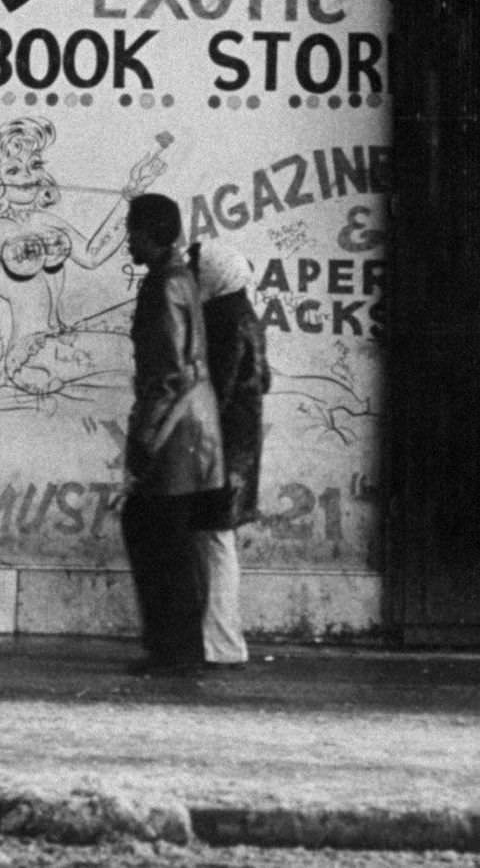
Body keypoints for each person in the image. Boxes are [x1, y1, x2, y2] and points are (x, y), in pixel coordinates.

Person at [0, 116, 171, 409]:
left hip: (60, 338)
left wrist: (131, 194)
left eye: (34, 165)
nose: (27, 176)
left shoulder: (48, 222)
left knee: (140, 319)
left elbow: (91, 255)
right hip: (27, 355)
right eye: (13, 169)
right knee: (132, 353)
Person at [120, 193, 224, 673]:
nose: (127, 238)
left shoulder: (162, 285)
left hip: (174, 433)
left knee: (154, 533)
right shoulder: (183, 278)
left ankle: (174, 649)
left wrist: (143, 442)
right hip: (194, 428)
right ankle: (176, 647)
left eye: (133, 230)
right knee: (170, 538)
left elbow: (166, 375)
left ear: (154, 233)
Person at [187, 238, 271, 668]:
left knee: (215, 544)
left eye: (198, 269)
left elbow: (213, 392)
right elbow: (263, 381)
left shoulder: (221, 318)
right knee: (219, 542)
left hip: (221, 448)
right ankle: (221, 641)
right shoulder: (248, 316)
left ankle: (221, 644)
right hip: (241, 447)